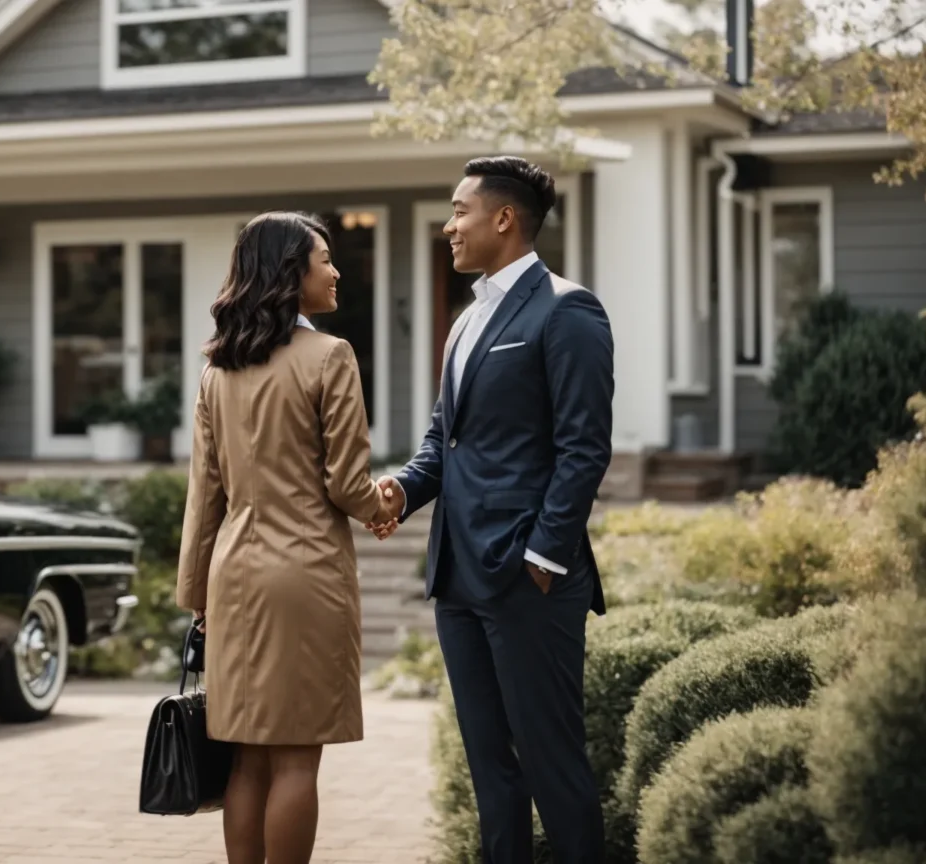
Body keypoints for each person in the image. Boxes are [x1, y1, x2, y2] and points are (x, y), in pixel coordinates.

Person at [367, 157, 615, 864]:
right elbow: (444, 440)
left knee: (553, 769)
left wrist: (542, 557)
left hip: (528, 583)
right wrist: (401, 492)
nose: (449, 226)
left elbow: (583, 448)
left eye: (458, 210)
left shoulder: (568, 309)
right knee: (492, 777)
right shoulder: (467, 318)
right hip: (458, 579)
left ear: (503, 219)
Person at [176, 211, 402, 864]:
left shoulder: (218, 371)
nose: (335, 271)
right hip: (305, 576)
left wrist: (198, 595)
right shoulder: (329, 357)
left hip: (235, 578)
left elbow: (205, 495)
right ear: (289, 273)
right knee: (298, 759)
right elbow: (346, 482)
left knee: (247, 758)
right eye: (324, 259)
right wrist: (382, 503)